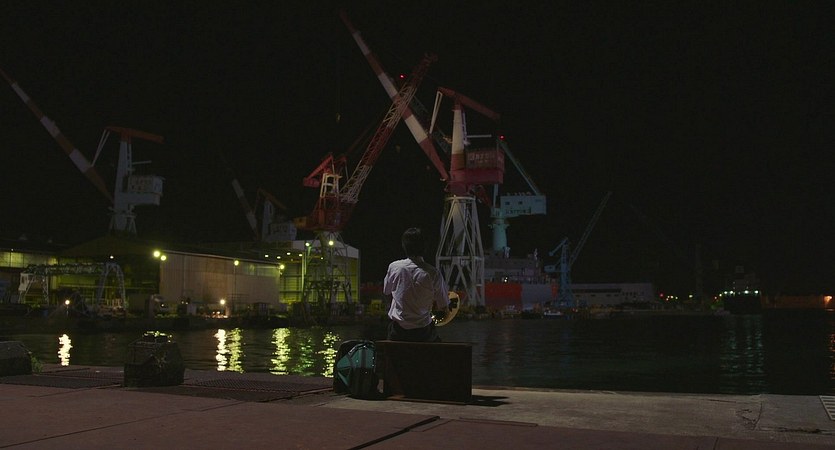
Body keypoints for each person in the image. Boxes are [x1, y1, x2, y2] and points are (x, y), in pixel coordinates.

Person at [383, 227, 449, 342]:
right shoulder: (433, 273)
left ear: (404, 246)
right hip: (423, 333)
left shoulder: (394, 267)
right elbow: (443, 305)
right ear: (425, 247)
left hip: (398, 332)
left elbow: (386, 292)